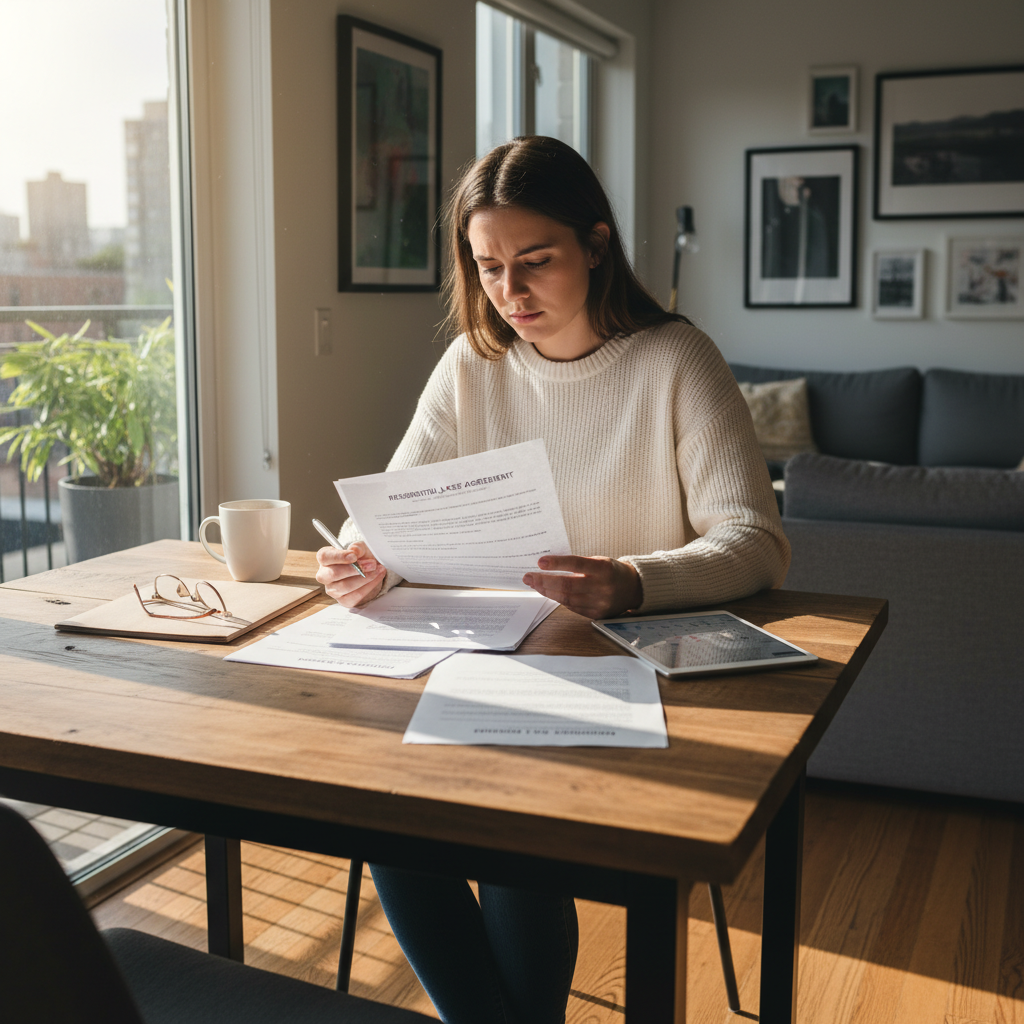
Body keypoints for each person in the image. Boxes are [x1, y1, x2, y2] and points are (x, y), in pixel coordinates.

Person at [315, 136, 790, 1024]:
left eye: (535, 262)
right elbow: (387, 506)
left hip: (630, 680)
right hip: (490, 661)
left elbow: (756, 542)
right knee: (382, 815)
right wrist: (360, 556)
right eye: (488, 266)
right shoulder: (472, 365)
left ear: (597, 245)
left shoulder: (676, 361)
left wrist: (636, 581)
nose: (510, 292)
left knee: (502, 820)